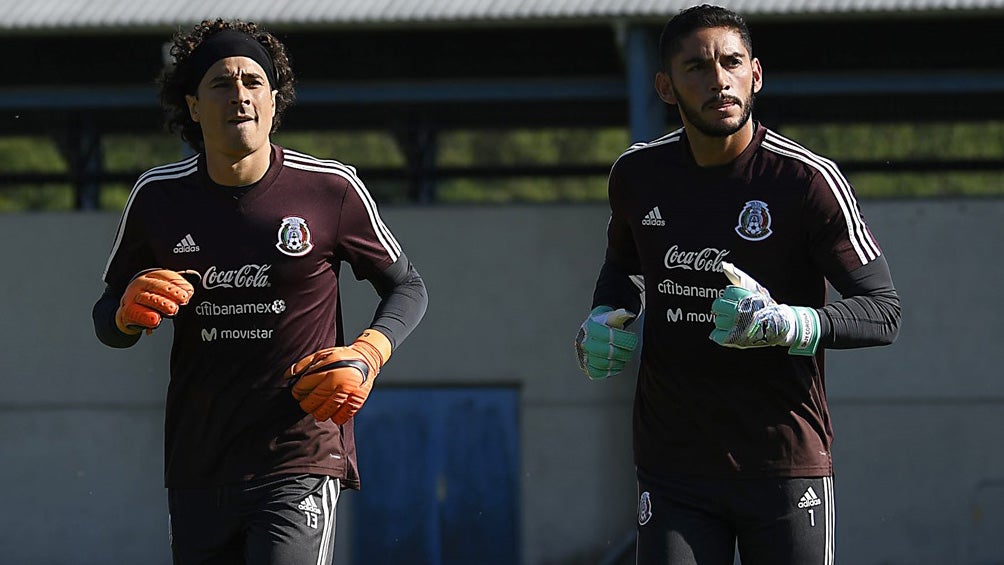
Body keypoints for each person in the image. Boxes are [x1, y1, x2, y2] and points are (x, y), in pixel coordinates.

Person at [92, 19, 428, 564]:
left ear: (275, 101)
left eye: (253, 82)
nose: (240, 95)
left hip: (299, 456)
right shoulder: (157, 198)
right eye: (221, 84)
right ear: (194, 106)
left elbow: (407, 287)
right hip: (198, 464)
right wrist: (125, 314)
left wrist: (367, 353)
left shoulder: (330, 188)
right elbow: (107, 317)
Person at [574, 5, 901, 564]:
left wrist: (790, 324)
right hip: (672, 461)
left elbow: (883, 310)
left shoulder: (805, 181)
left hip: (782, 462)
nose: (718, 80)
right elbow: (624, 266)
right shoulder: (636, 175)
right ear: (666, 87)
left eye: (731, 62)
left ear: (756, 74)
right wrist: (605, 316)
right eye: (697, 67)